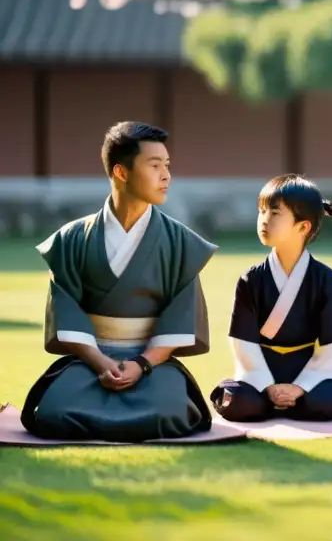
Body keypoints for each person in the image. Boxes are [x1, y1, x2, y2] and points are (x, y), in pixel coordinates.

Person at [21, 122, 216, 442]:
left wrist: (141, 364)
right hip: (90, 359)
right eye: (155, 166)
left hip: (153, 362)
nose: (166, 176)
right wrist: (100, 362)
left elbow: (181, 314)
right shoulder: (72, 239)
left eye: (167, 166)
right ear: (121, 173)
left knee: (169, 411)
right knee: (55, 412)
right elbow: (66, 309)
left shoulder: (179, 241)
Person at [210, 174, 332, 422]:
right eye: (261, 212)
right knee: (240, 404)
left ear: (303, 226)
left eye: (274, 213)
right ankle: (275, 399)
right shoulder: (251, 280)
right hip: (262, 367)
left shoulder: (326, 280)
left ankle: (297, 397)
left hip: (308, 366)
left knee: (325, 403)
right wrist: (267, 385)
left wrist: (300, 386)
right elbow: (242, 342)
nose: (264, 220)